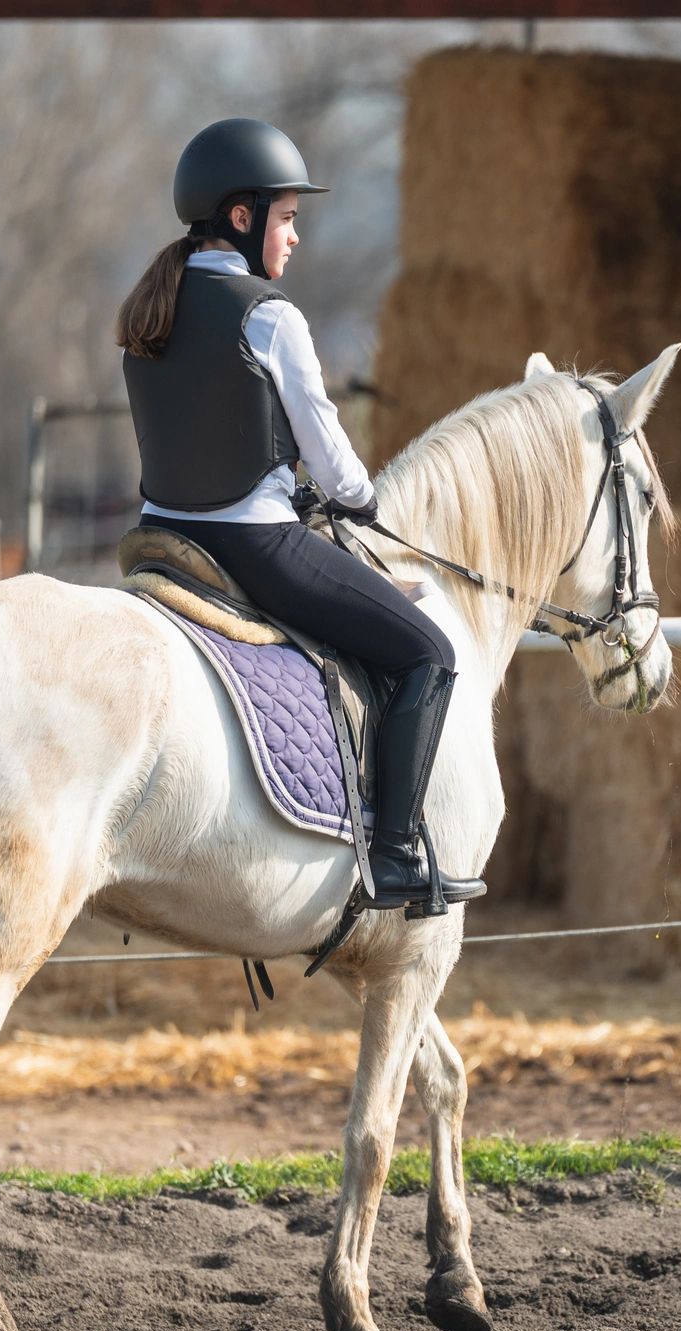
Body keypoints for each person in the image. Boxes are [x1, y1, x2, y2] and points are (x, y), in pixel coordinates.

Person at [115, 117, 483, 912]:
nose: (296, 236)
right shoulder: (269, 316)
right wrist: (362, 499)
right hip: (257, 546)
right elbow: (331, 455)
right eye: (286, 217)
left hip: (164, 540)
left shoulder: (151, 313)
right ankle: (390, 856)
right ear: (241, 219)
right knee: (428, 654)